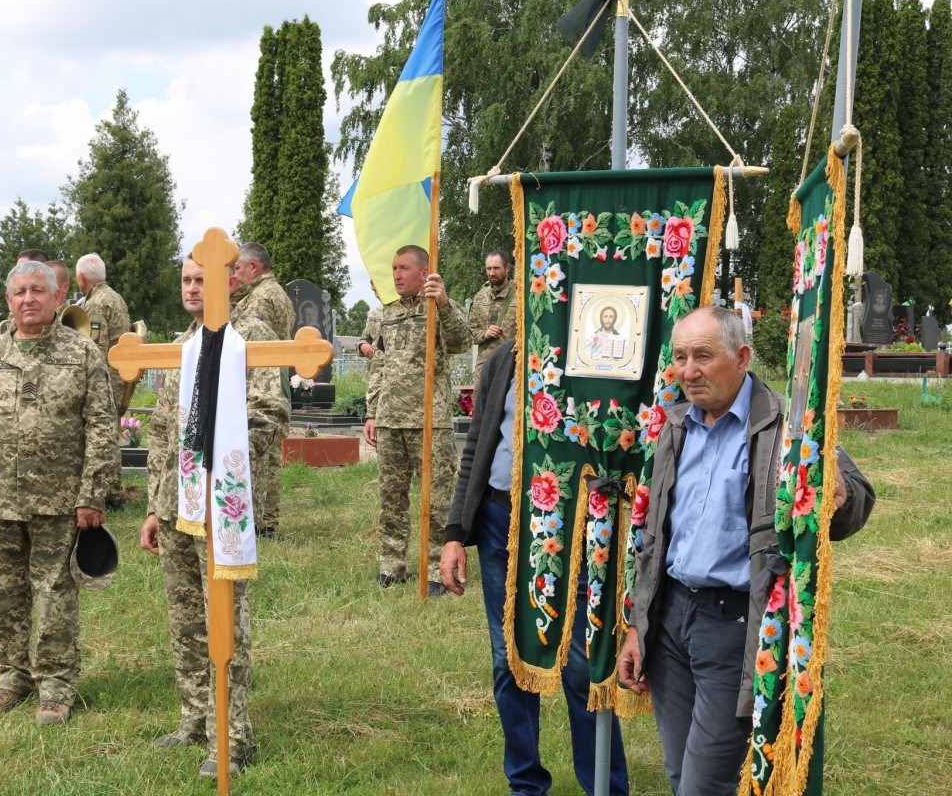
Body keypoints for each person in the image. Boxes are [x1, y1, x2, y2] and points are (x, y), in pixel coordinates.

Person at [616, 306, 875, 795]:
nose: (689, 371)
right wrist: (637, 625)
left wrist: (838, 498)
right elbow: (652, 540)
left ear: (742, 357)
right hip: (670, 621)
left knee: (704, 784)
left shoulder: (787, 425)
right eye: (680, 358)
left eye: (703, 357)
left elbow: (856, 498)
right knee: (680, 774)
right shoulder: (672, 426)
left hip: (734, 627)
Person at [440, 338, 629, 796]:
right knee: (508, 660)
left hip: (572, 523)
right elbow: (478, 446)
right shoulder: (506, 357)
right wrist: (454, 532)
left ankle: (604, 784)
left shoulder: (593, 352)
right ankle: (525, 783)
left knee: (581, 663)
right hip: (499, 520)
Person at [0, 260, 119, 726]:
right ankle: (12, 676)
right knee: (2, 592)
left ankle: (56, 685)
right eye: (20, 291)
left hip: (59, 501)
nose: (29, 299)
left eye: (38, 291)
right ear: (9, 301)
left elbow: (102, 427)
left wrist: (92, 493)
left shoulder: (81, 354)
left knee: (55, 591)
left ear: (58, 297)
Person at [139, 255, 289, 778]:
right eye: (185, 278)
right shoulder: (182, 341)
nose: (192, 287)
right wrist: (157, 504)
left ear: (230, 281)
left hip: (221, 499)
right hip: (177, 503)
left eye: (202, 278)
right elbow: (163, 431)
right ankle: (194, 719)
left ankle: (232, 736)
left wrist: (217, 467)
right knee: (185, 618)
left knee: (226, 617)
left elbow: (269, 413)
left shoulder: (251, 335)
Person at [363, 245, 472, 593]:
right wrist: (372, 411)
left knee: (437, 501)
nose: (396, 274)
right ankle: (392, 565)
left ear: (424, 273)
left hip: (429, 420)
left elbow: (461, 342)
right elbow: (379, 364)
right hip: (391, 419)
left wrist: (442, 303)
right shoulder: (386, 314)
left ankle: (438, 569)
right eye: (394, 268)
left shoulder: (438, 307)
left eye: (403, 268)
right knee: (391, 499)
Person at [230, 241, 295, 539]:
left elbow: (250, 350)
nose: (234, 274)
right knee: (270, 455)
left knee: (261, 455)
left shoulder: (259, 298)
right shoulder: (276, 292)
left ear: (253, 268)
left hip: (259, 381)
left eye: (237, 268)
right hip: (275, 378)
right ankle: (267, 520)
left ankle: (262, 521)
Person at [76, 252, 133, 414]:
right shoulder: (116, 297)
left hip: (104, 389)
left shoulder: (95, 303)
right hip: (119, 381)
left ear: (81, 277)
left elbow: (96, 352)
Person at [467, 249, 518, 384]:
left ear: (507, 268)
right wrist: (485, 334)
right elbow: (469, 332)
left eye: (496, 268)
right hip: (484, 367)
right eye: (488, 268)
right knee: (481, 405)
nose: (491, 273)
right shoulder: (480, 297)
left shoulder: (520, 296)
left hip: (511, 366)